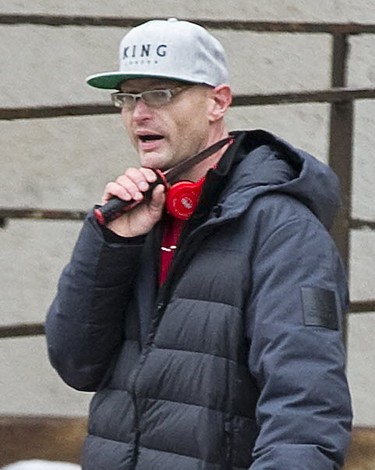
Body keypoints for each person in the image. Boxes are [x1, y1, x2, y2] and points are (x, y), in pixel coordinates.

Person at [45, 18, 352, 469]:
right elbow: (75, 362)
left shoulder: (284, 230)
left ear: (217, 102)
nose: (139, 114)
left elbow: (305, 408)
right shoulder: (135, 219)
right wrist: (110, 244)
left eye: (160, 94)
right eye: (127, 97)